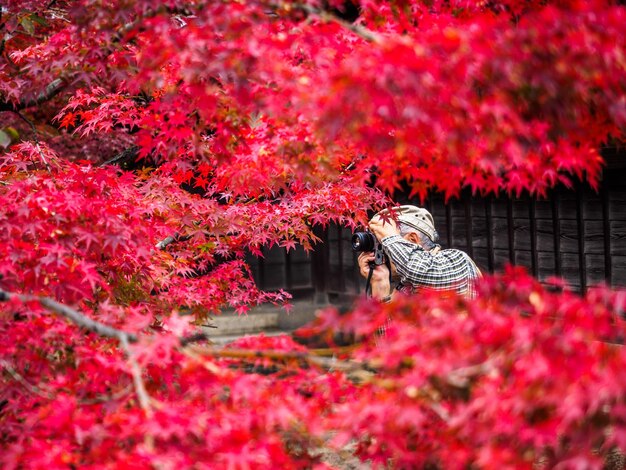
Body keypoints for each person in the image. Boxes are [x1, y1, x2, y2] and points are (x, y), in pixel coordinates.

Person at [357, 205, 481, 302]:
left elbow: (422, 272)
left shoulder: (458, 262)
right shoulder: (402, 291)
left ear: (412, 240)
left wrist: (389, 237)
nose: (379, 252)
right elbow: (385, 335)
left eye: (383, 244)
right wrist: (380, 284)